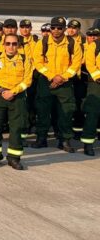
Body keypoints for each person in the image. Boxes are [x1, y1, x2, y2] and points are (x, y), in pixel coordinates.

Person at [31, 16, 83, 151]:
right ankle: (41, 139)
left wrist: (62, 77)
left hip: (64, 84)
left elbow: (76, 64)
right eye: (53, 27)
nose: (55, 30)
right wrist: (52, 76)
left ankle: (64, 140)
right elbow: (38, 62)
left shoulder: (73, 43)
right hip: (46, 82)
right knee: (42, 111)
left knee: (66, 112)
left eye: (59, 28)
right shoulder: (42, 42)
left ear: (64, 29)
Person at [0, 33, 33, 169]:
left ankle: (14, 158)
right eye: (8, 43)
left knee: (17, 128)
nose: (11, 46)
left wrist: (13, 91)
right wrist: (1, 91)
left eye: (14, 43)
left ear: (18, 45)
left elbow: (27, 80)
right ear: (4, 44)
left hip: (17, 97)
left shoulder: (25, 59)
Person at [81, 28, 100, 156]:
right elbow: (90, 64)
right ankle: (88, 144)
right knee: (93, 113)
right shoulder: (95, 45)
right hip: (96, 83)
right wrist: (98, 76)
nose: (93, 37)